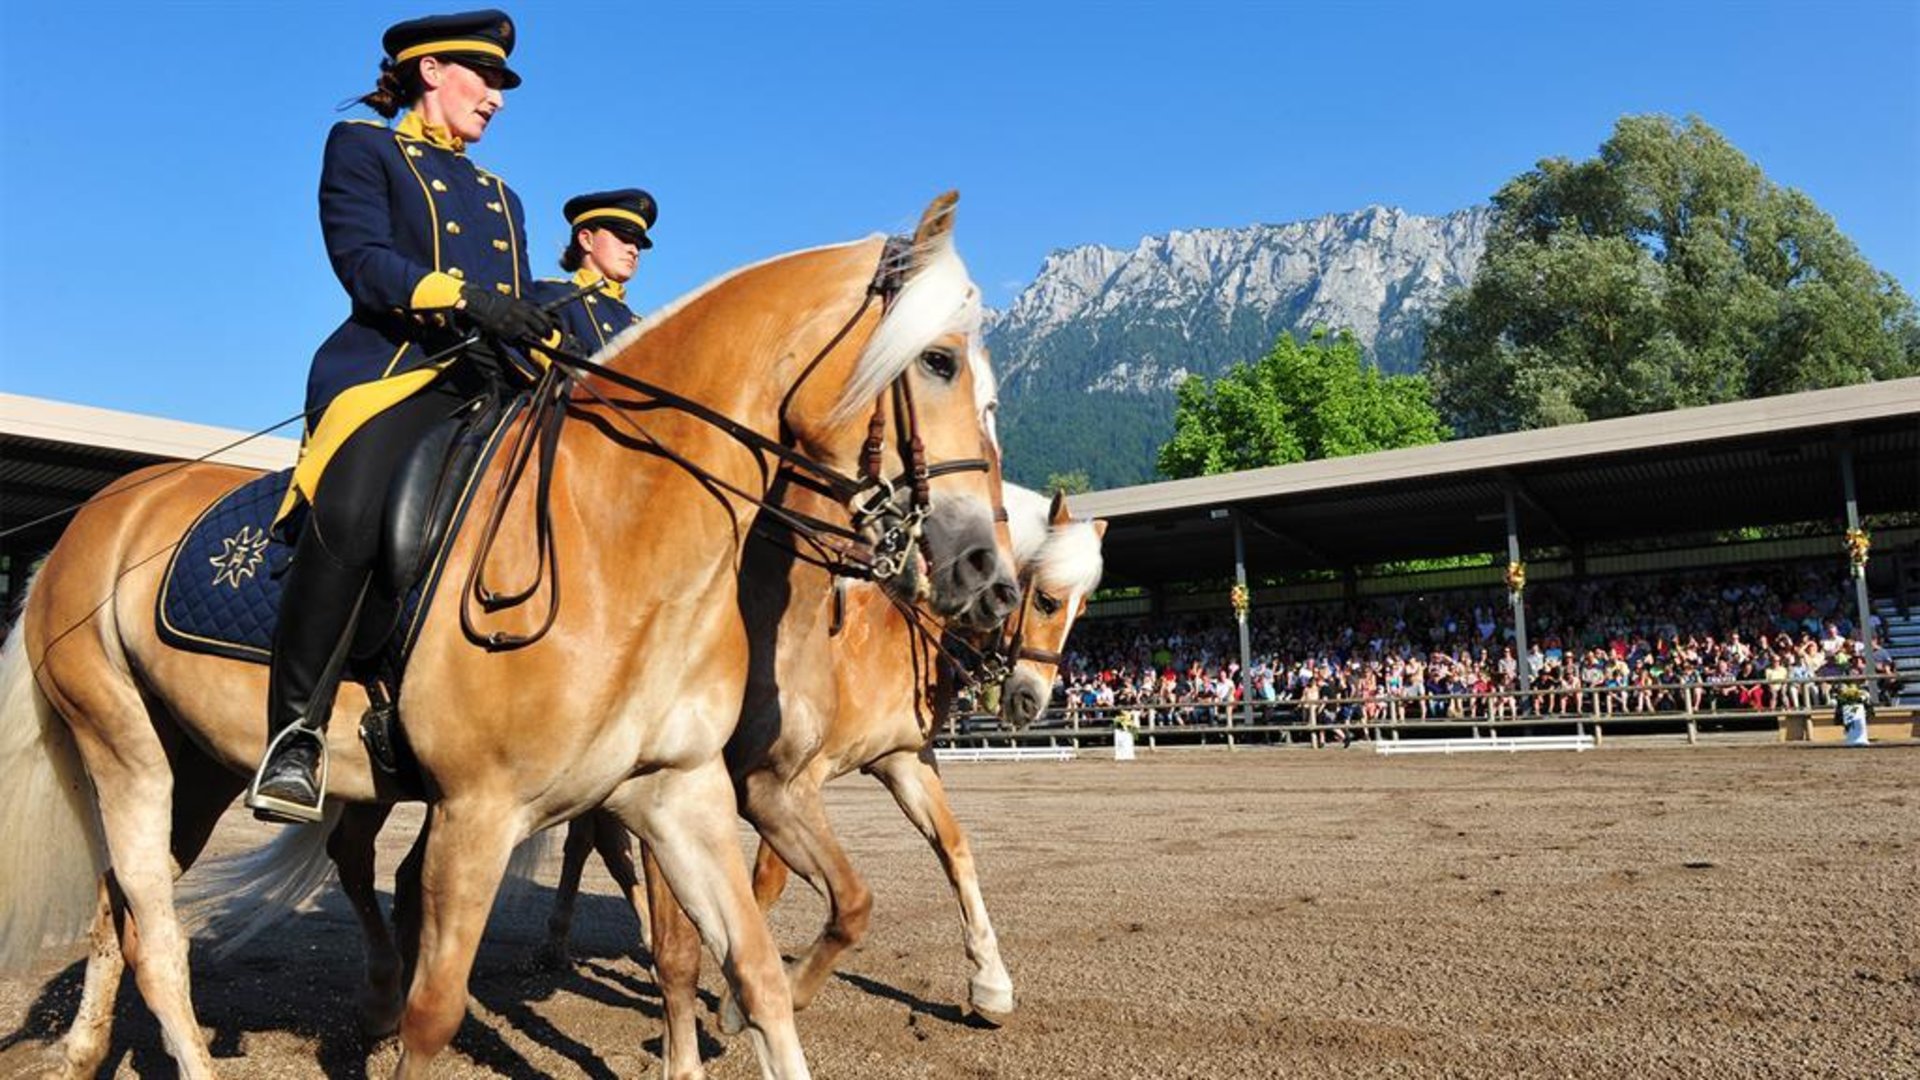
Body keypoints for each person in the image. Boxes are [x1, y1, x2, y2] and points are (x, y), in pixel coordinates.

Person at [248, 9, 556, 824]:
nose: (496, 99)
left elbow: (517, 303)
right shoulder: (364, 146)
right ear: (431, 73)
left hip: (494, 380)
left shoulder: (502, 196)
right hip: (393, 372)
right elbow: (362, 261)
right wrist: (463, 296)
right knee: (353, 507)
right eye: (485, 80)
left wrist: (539, 332)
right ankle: (298, 731)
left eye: (500, 85)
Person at [531, 189, 657, 353]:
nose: (634, 250)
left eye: (638, 245)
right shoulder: (554, 295)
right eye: (624, 238)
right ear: (586, 240)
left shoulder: (640, 326)